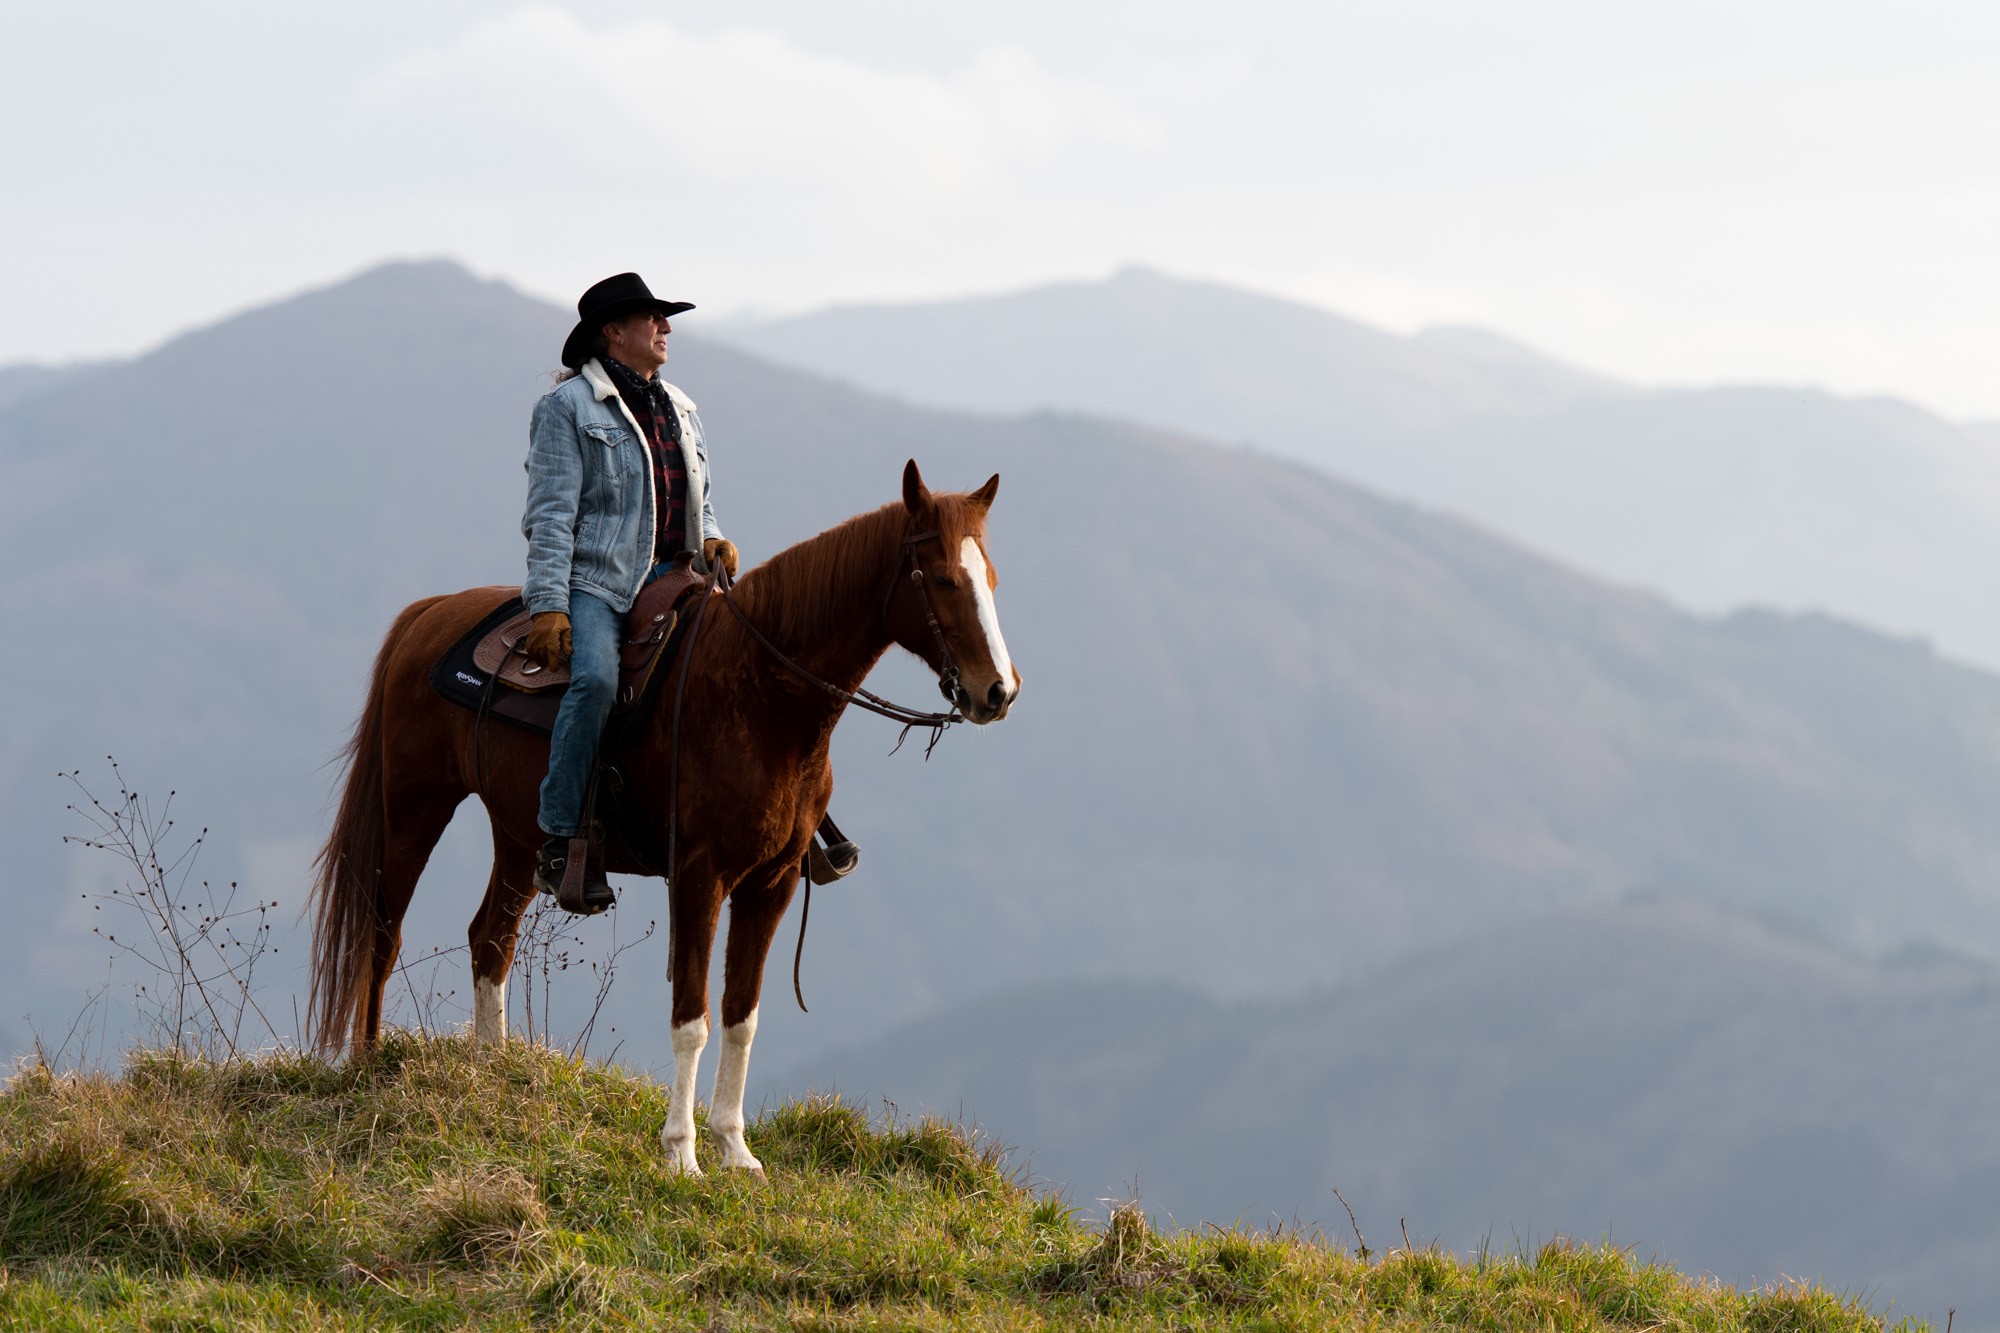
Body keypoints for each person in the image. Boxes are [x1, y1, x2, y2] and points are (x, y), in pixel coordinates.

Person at [520, 272, 856, 911]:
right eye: (653, 319)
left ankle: (801, 820)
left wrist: (715, 538)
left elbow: (695, 501)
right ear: (613, 333)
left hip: (680, 577)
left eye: (664, 318)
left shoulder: (680, 406)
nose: (667, 328)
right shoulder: (564, 411)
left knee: (764, 663)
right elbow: (550, 516)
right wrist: (548, 606)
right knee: (592, 681)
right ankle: (561, 835)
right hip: (601, 584)